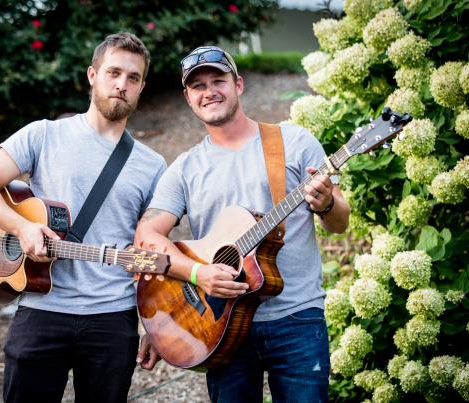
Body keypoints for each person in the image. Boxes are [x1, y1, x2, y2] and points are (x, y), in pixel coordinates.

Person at [134, 45, 350, 402]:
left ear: (238, 84)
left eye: (218, 80)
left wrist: (326, 203)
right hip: (218, 326)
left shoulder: (294, 143)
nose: (209, 91)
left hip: (297, 319)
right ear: (188, 98)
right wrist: (196, 274)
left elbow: (339, 224)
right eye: (198, 86)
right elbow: (147, 236)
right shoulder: (186, 168)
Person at [0, 32, 165, 402]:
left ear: (142, 86)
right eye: (113, 72)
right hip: (41, 309)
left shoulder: (152, 165)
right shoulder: (44, 135)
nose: (122, 85)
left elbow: (153, 248)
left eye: (133, 78)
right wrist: (21, 227)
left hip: (113, 317)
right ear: (92, 74)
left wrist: (156, 323)